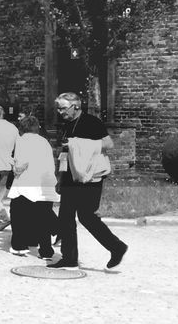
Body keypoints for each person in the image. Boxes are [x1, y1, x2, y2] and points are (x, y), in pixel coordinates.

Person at [50, 93, 128, 270]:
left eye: (63, 108)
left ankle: (117, 247)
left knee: (87, 216)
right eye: (58, 108)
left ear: (75, 106)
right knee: (65, 217)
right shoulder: (67, 124)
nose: (60, 111)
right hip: (71, 176)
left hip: (91, 177)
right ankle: (69, 259)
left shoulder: (92, 122)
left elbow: (108, 144)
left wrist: (78, 144)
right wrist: (60, 178)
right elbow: (65, 153)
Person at [6, 115, 59, 260]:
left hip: (27, 183)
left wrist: (12, 165)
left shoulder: (21, 141)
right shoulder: (45, 142)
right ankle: (46, 251)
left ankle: (19, 246)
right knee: (42, 218)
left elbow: (20, 166)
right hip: (45, 182)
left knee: (18, 216)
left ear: (21, 128)